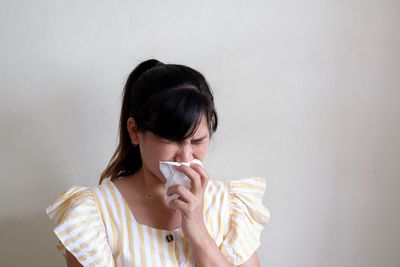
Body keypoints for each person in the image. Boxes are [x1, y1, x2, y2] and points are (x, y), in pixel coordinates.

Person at [46, 59, 271, 267]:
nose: (186, 157)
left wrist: (198, 229)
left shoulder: (231, 207)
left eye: (198, 141)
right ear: (135, 132)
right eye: (172, 140)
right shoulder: (93, 216)